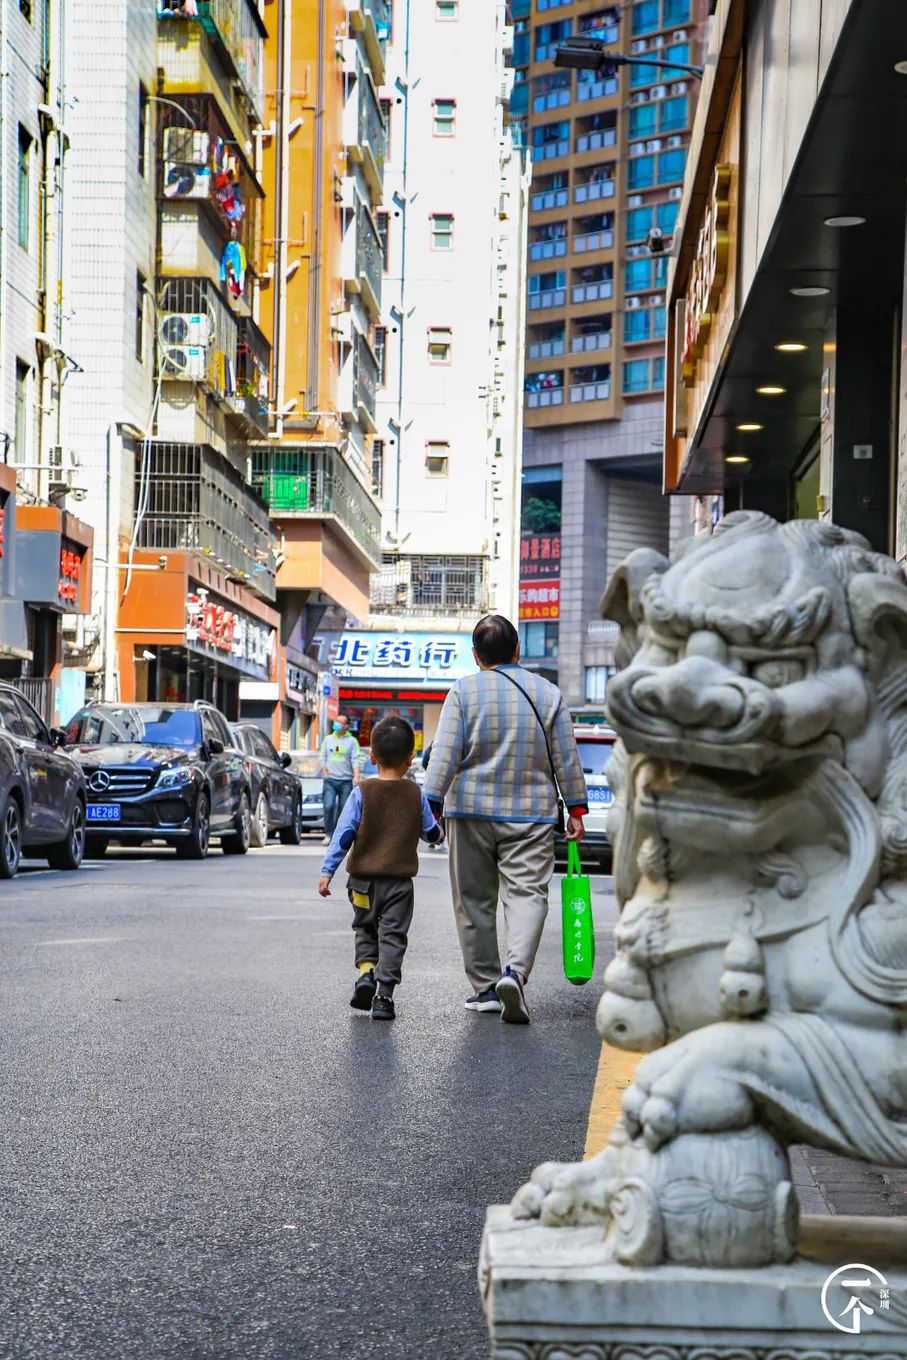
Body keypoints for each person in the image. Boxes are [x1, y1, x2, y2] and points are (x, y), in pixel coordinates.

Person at [423, 615, 587, 1025]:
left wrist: (432, 804)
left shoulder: (462, 691)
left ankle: (485, 988)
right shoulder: (548, 694)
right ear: (518, 650)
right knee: (528, 893)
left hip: (471, 811)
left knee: (474, 901)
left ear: (476, 656)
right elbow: (565, 756)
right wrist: (577, 808)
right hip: (531, 814)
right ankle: (515, 972)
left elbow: (445, 753)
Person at [318, 716, 445, 1021]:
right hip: (398, 886)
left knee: (365, 927)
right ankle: (384, 997)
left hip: (361, 884)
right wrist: (440, 833)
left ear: (372, 757)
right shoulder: (415, 794)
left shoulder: (362, 792)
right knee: (392, 937)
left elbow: (344, 833)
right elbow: (431, 832)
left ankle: (365, 972)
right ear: (410, 759)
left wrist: (327, 871)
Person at [319, 713, 363, 846]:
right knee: (329, 806)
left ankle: (338, 835)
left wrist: (356, 775)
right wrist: (325, 772)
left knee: (344, 809)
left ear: (346, 726)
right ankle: (328, 833)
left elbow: (355, 759)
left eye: (340, 722)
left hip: (345, 781)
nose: (336, 723)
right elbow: (322, 757)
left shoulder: (352, 741)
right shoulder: (328, 739)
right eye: (336, 721)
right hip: (330, 780)